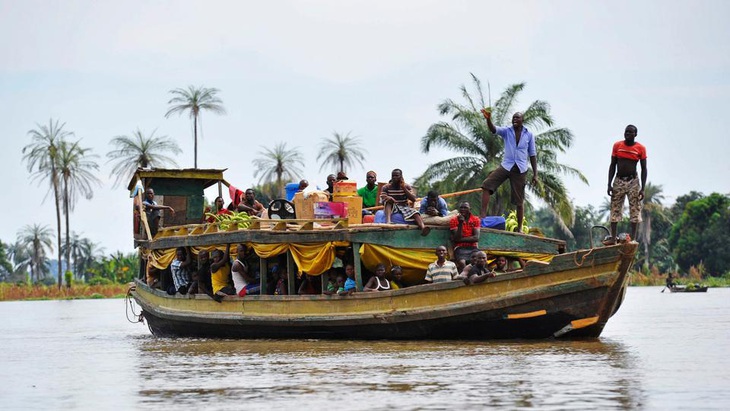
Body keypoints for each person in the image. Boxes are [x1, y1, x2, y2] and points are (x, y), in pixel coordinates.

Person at [479, 109, 538, 232]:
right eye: (513, 118)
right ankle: (482, 218)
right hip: (506, 166)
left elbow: (532, 154)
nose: (515, 119)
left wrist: (535, 175)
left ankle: (519, 228)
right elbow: (493, 129)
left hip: (520, 169)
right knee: (487, 185)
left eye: (517, 118)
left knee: (519, 200)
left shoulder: (529, 135)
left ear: (523, 120)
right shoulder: (507, 131)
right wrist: (488, 119)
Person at [607, 124, 647, 243]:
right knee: (615, 208)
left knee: (635, 209)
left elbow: (644, 169)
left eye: (630, 132)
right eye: (626, 132)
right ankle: (613, 238)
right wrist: (609, 184)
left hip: (633, 181)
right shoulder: (617, 146)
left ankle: (633, 239)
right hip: (619, 180)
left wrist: (643, 188)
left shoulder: (640, 148)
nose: (627, 134)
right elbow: (612, 165)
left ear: (635, 134)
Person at [380, 169, 431, 236]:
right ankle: (388, 221)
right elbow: (382, 200)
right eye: (393, 176)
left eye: (397, 175)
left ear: (401, 176)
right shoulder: (386, 187)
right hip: (392, 207)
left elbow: (413, 199)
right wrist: (388, 198)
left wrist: (403, 188)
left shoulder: (406, 186)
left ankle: (423, 228)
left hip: (404, 206)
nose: (394, 177)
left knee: (416, 213)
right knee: (388, 202)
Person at [450, 202, 481, 269]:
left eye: (465, 207)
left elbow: (476, 238)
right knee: (462, 263)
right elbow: (458, 237)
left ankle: (477, 276)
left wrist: (459, 240)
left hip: (473, 247)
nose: (463, 209)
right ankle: (465, 278)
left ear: (470, 209)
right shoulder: (454, 220)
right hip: (460, 248)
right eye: (461, 207)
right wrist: (460, 223)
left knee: (479, 261)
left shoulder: (475, 219)